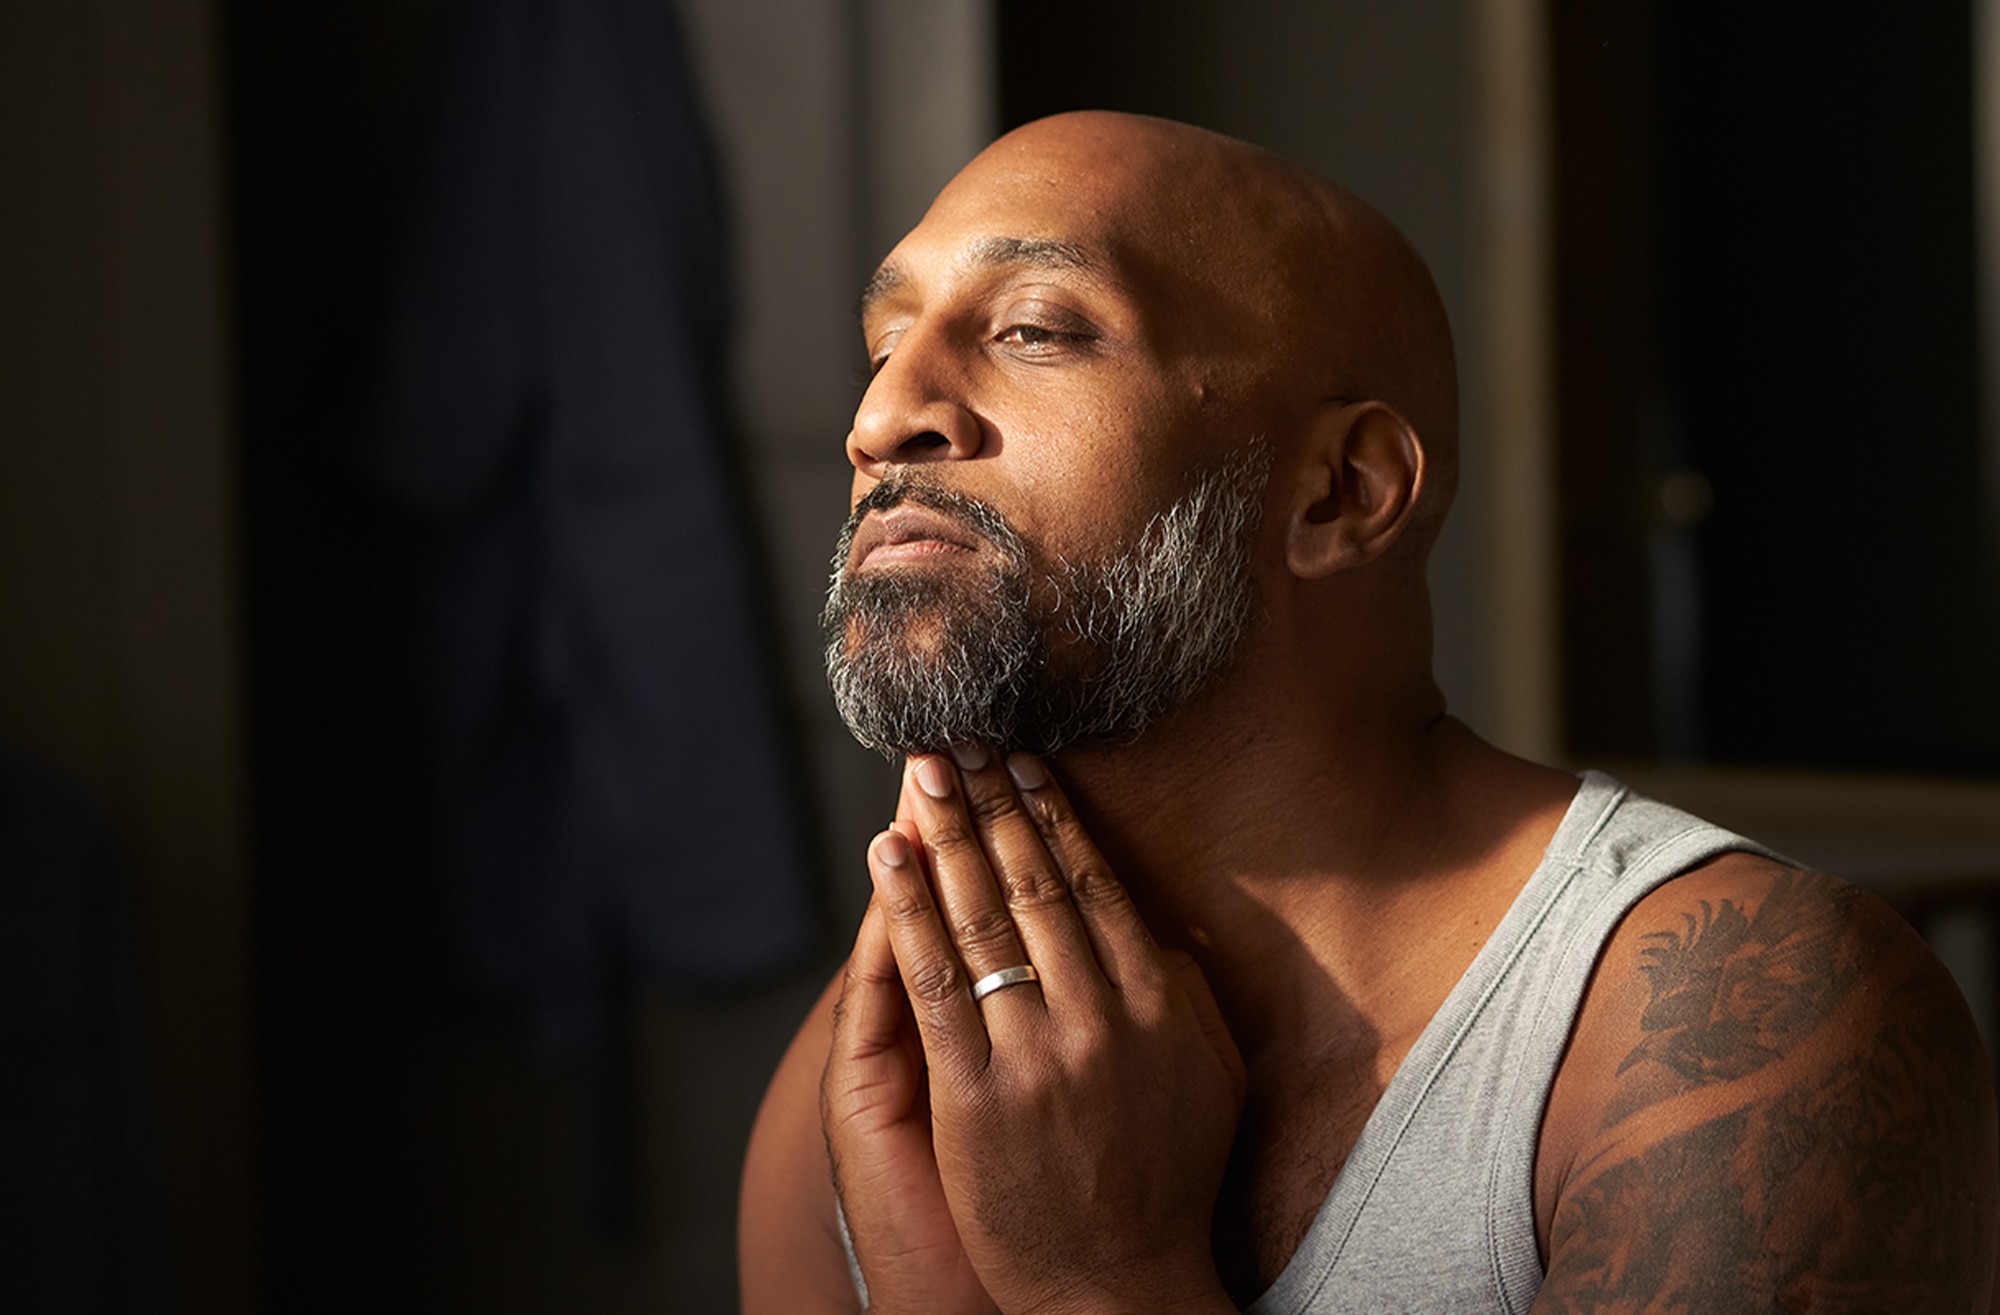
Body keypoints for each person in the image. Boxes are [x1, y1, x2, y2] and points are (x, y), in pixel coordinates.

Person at [738, 110, 1999, 1314]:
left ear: (1341, 492)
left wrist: (1097, 1287)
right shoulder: (885, 1074)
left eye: (1033, 328)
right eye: (882, 346)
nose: (880, 418)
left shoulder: (1738, 1031)